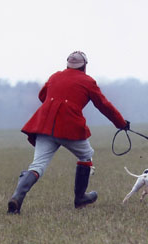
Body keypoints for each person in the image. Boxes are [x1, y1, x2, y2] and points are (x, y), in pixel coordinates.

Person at [7, 51, 130, 214]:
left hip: (44, 126)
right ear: (84, 66)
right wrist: (121, 123)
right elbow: (103, 105)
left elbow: (42, 95)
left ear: (68, 65)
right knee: (86, 155)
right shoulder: (88, 81)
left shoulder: (55, 76)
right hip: (69, 128)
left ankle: (17, 197)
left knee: (37, 165)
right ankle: (80, 199)